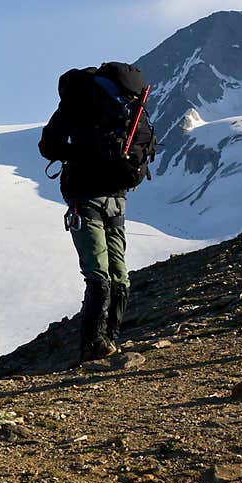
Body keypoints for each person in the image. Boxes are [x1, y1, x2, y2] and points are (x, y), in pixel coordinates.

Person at [38, 62, 156, 363]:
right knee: (119, 276)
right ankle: (107, 343)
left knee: (98, 275)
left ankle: (94, 345)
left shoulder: (77, 103)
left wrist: (80, 154)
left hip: (85, 194)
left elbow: (49, 146)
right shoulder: (131, 108)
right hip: (117, 197)